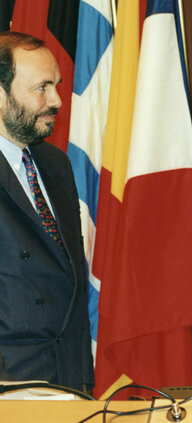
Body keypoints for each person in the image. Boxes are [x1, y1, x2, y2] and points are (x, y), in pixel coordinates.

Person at [0, 31, 93, 391]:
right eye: (42, 88)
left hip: (69, 385)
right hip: (12, 392)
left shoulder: (56, 164)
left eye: (56, 85)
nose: (56, 100)